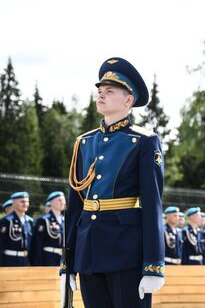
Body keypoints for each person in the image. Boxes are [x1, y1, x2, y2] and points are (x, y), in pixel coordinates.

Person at [61, 57, 165, 308]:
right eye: (99, 91)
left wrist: (154, 265)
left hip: (125, 252)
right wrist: (68, 262)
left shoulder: (143, 141)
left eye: (109, 91)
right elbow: (75, 207)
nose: (101, 95)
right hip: (88, 252)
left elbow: (152, 206)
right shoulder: (84, 142)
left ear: (128, 100)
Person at [30, 191, 65, 266]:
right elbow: (37, 244)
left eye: (63, 200)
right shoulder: (43, 220)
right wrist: (38, 262)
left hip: (62, 259)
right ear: (51, 203)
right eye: (59, 200)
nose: (62, 202)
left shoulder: (64, 220)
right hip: (48, 258)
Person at [0, 192, 33, 266]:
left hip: (26, 260)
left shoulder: (29, 221)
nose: (25, 204)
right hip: (10, 260)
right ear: (14, 204)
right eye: (22, 201)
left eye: (27, 201)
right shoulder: (6, 221)